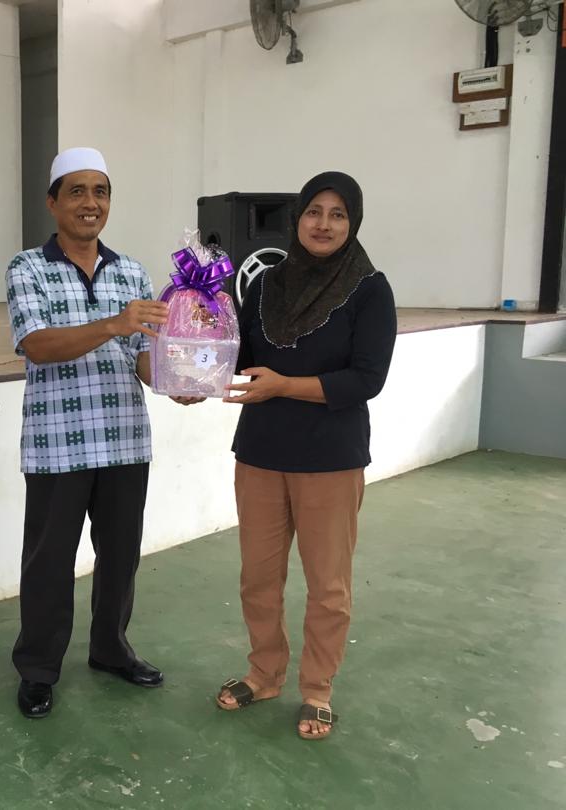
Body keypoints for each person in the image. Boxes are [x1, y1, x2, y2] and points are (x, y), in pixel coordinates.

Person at [215, 171, 396, 740]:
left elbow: (367, 379)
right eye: (314, 211)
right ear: (297, 219)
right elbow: (239, 354)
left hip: (331, 458)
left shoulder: (370, 289)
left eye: (338, 214)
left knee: (328, 586)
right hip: (261, 452)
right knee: (258, 577)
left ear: (353, 223)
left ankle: (317, 689)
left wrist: (284, 386)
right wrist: (193, 353)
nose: (323, 224)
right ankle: (264, 673)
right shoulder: (267, 284)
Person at [5, 147, 169, 720]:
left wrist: (178, 380)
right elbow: (37, 345)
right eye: (76, 191)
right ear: (52, 202)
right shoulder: (27, 268)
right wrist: (116, 322)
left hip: (125, 439)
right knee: (49, 562)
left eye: (100, 191)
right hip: (59, 443)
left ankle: (111, 649)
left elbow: (142, 359)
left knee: (120, 556)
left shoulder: (132, 273)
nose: (90, 202)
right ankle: (38, 669)